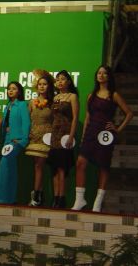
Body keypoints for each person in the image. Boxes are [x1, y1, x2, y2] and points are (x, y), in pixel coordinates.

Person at [72, 65, 132, 212]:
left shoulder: (114, 95)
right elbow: (87, 117)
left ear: (109, 76)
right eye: (99, 73)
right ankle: (80, 200)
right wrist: (83, 137)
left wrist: (117, 129)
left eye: (104, 73)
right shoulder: (91, 96)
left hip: (105, 135)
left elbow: (129, 113)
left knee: (103, 166)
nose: (101, 75)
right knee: (80, 163)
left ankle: (97, 203)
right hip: (91, 132)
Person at [0, 81, 30, 204]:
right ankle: (10, 199)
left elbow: (26, 123)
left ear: (19, 91)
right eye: (9, 89)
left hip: (16, 140)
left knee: (5, 163)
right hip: (7, 140)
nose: (11, 91)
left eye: (14, 88)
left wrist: (23, 140)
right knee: (10, 168)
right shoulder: (8, 105)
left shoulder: (22, 105)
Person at [47, 70, 79, 208]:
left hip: (65, 135)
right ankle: (55, 198)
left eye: (63, 79)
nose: (60, 81)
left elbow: (75, 118)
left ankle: (62, 198)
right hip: (54, 135)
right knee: (54, 168)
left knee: (62, 168)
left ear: (69, 82)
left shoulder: (72, 97)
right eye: (58, 79)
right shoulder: (55, 97)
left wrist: (71, 136)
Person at [26, 72, 55, 206]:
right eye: (40, 84)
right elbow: (27, 120)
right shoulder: (32, 102)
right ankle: (39, 196)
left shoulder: (53, 102)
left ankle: (36, 196)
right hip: (34, 136)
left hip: (46, 137)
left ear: (49, 86)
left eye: (45, 84)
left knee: (39, 166)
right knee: (37, 166)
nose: (42, 86)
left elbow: (56, 120)